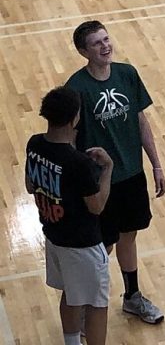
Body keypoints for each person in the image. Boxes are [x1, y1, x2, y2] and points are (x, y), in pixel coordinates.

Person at [65, 20, 165, 324]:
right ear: (83, 51)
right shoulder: (76, 88)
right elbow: (69, 138)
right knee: (102, 247)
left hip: (132, 174)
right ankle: (85, 307)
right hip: (100, 183)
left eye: (106, 39)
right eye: (97, 43)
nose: (105, 46)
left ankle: (132, 297)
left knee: (128, 235)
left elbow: (140, 121)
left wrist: (156, 164)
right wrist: (76, 181)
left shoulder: (127, 74)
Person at [25, 86, 114, 345]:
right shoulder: (79, 163)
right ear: (75, 118)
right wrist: (107, 169)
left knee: (71, 294)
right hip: (83, 246)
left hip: (54, 238)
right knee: (96, 305)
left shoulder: (34, 144)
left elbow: (30, 186)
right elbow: (96, 206)